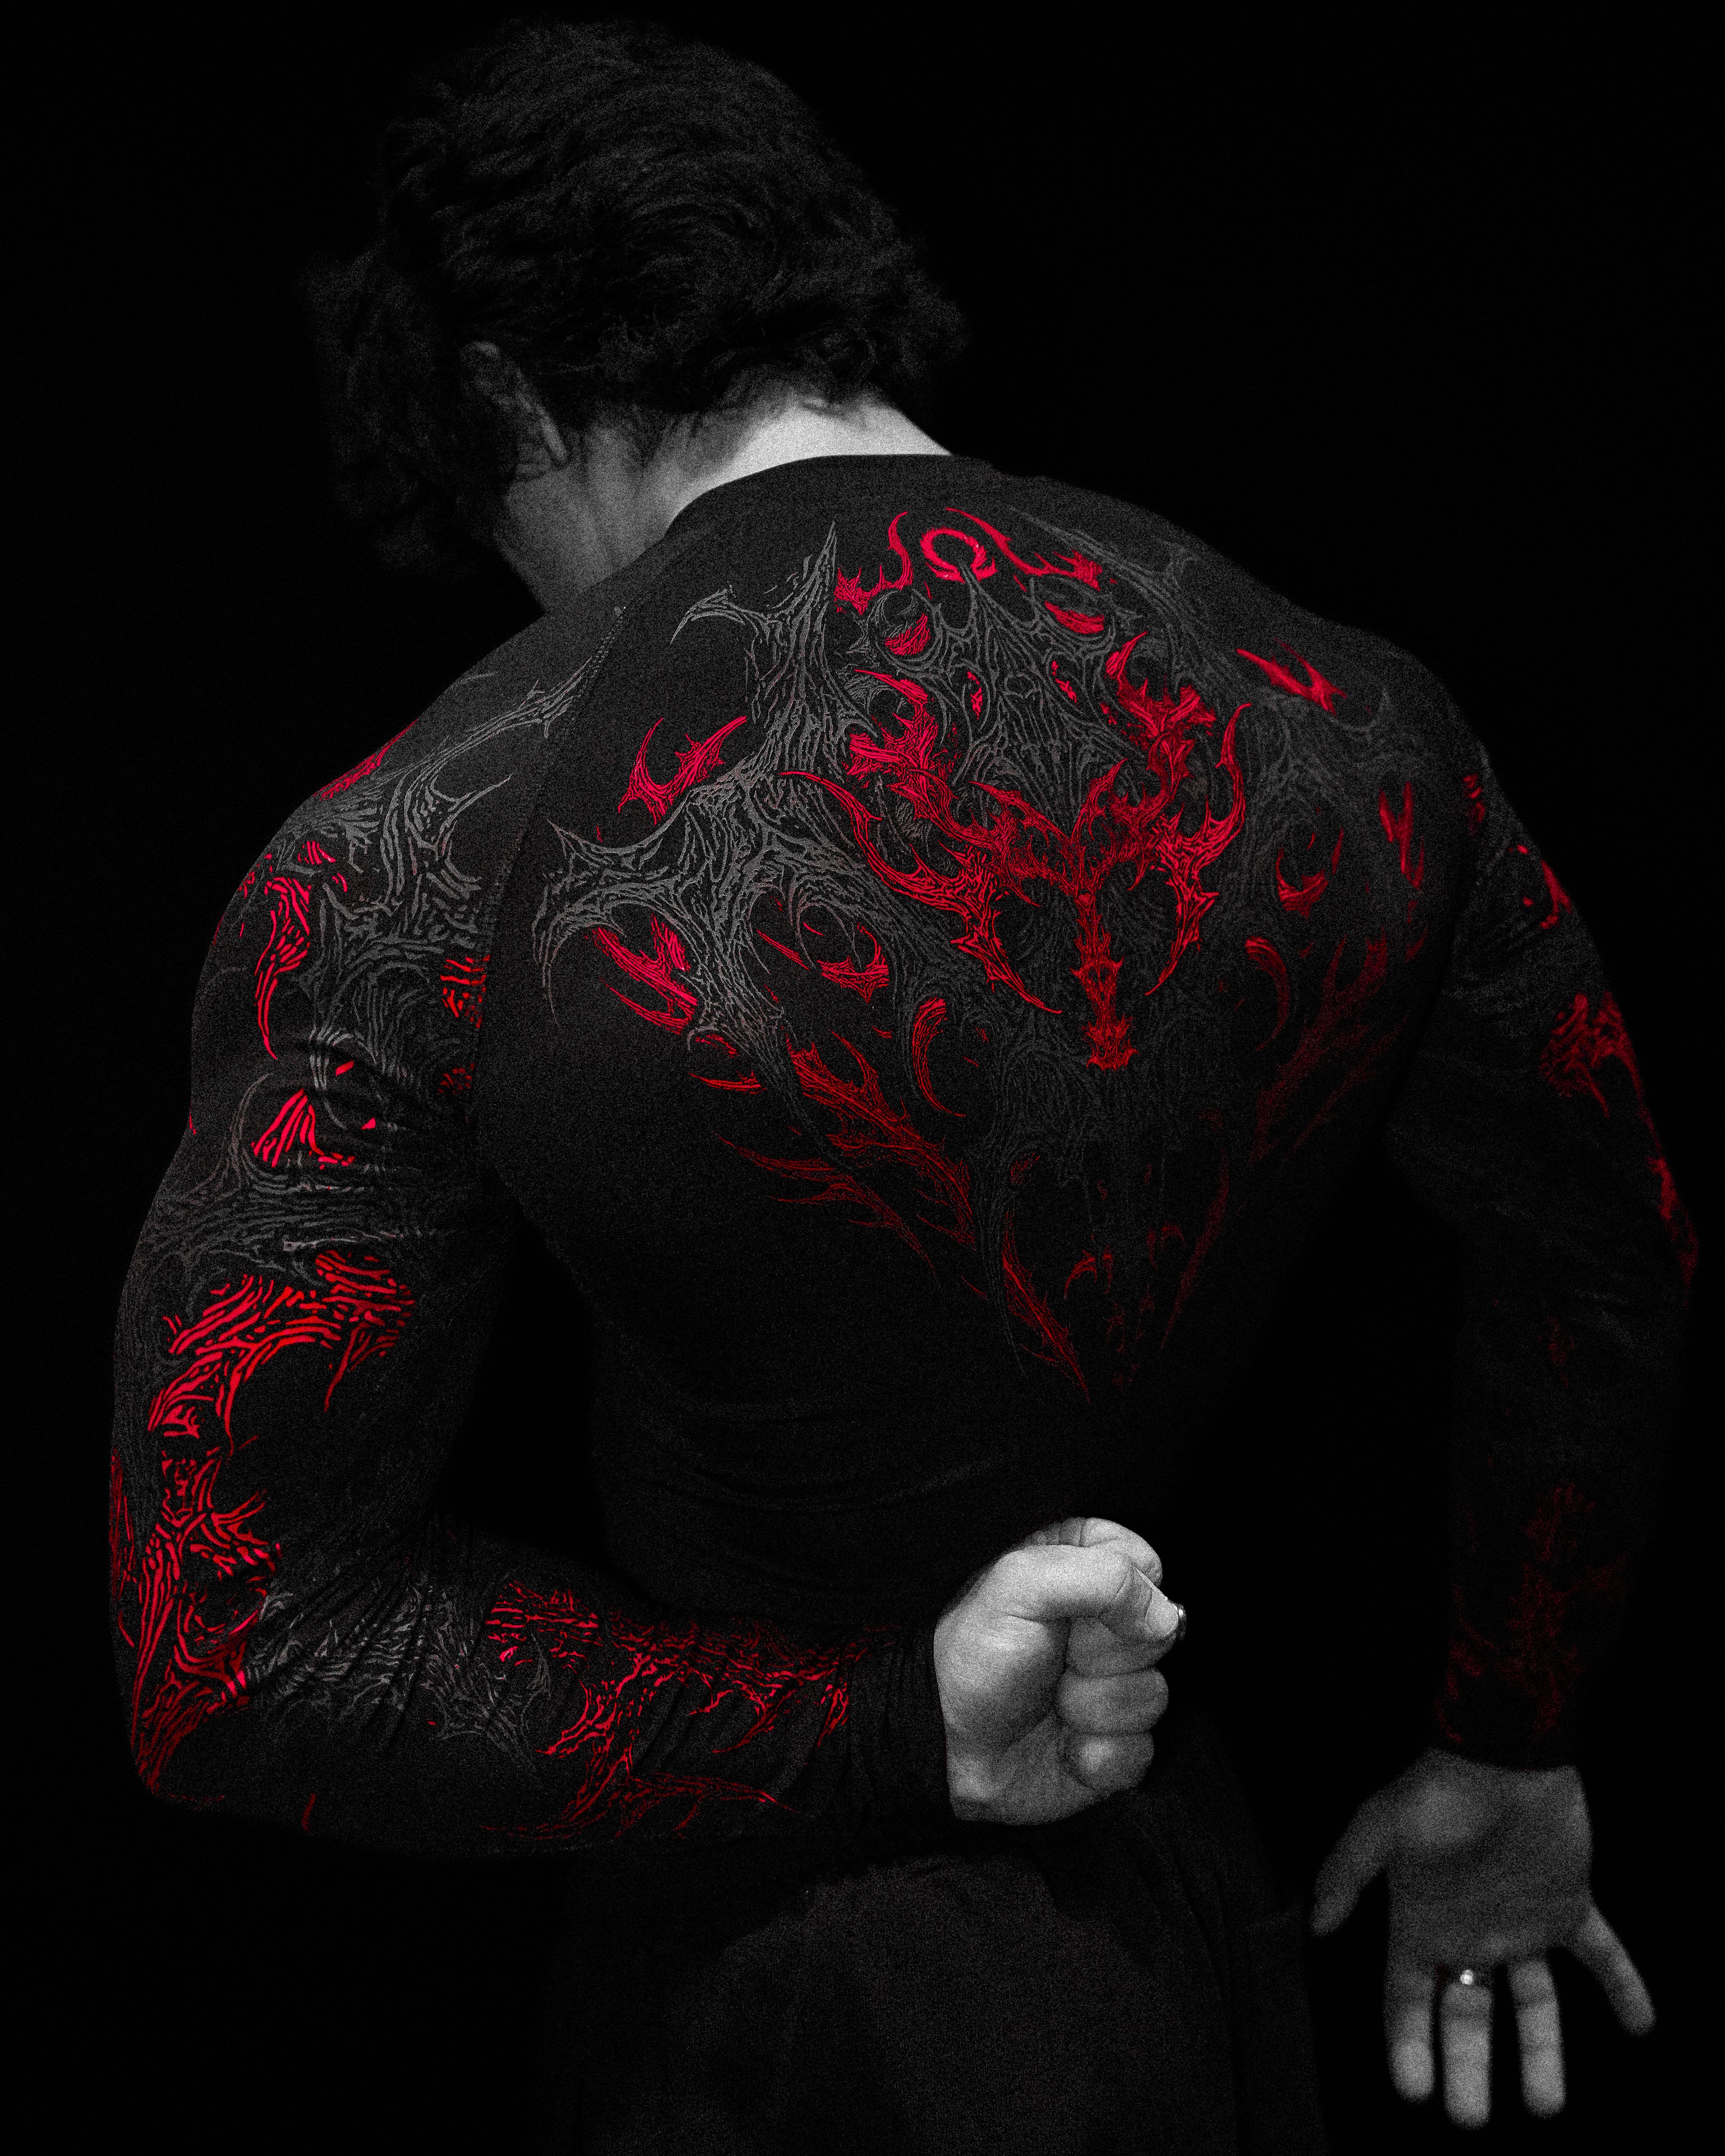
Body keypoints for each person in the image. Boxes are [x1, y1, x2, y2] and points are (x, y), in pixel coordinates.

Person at [106, 17, 1694, 2151]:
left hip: (783, 1990)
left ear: (503, 401)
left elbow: (234, 1650)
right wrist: (1509, 1745)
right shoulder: (1359, 716)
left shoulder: (422, 851)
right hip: (1178, 1912)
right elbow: (1603, 1259)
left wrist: (880, 1727)